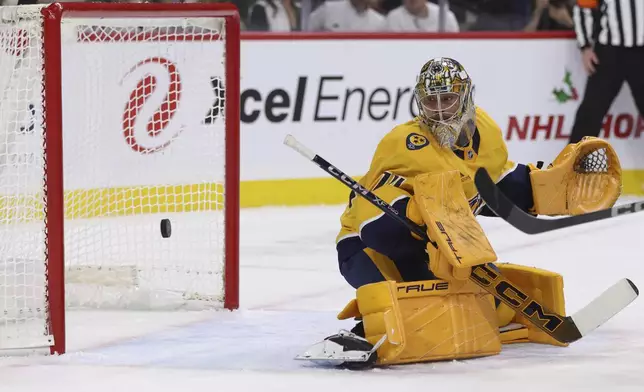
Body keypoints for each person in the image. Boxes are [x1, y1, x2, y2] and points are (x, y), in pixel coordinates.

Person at [302, 58, 622, 369]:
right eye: (431, 102)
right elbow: (369, 216)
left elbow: (496, 183)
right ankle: (370, 328)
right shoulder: (402, 143)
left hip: (445, 246)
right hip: (370, 248)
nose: (440, 110)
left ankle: (412, 312)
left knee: (492, 310)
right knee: (425, 309)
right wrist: (415, 213)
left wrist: (544, 189)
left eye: (449, 99)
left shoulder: (486, 131)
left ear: (466, 96)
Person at [569, 0, 644, 143]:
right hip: (610, 52)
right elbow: (584, 6)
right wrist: (585, 45)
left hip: (641, 52)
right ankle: (573, 163)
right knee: (590, 114)